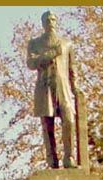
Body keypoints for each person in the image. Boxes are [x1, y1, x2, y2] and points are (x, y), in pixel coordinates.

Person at [27, 10, 79, 169]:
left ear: (56, 22)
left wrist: (75, 86)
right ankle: (52, 159)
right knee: (47, 125)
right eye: (47, 19)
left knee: (69, 120)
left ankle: (69, 157)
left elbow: (72, 67)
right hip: (45, 87)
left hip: (63, 87)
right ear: (43, 23)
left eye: (53, 19)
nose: (50, 21)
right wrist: (51, 54)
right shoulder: (34, 43)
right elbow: (31, 63)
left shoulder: (66, 43)